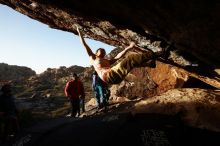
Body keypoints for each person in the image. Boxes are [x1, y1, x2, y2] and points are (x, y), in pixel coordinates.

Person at [76, 27, 167, 85]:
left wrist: (129, 48)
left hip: (115, 78)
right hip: (108, 76)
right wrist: (79, 31)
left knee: (131, 63)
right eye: (101, 50)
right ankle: (159, 53)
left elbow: (118, 56)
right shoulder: (93, 58)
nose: (103, 51)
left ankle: (149, 64)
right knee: (130, 58)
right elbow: (84, 45)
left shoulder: (107, 61)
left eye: (104, 51)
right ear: (96, 53)